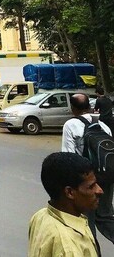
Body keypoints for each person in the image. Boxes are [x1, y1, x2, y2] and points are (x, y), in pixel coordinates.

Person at [28, 152, 101, 257]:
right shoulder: (69, 249)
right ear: (70, 192)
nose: (99, 190)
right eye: (91, 186)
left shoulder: (40, 216)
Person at [64, 93, 114, 245]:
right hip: (106, 178)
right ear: (89, 106)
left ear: (73, 108)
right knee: (105, 217)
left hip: (86, 181)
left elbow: (68, 156)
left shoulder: (70, 125)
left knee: (87, 222)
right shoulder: (102, 125)